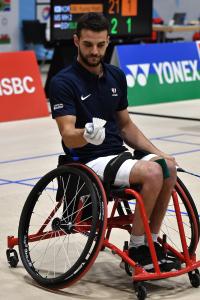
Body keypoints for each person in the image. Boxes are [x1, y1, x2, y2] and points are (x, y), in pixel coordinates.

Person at [49, 12, 179, 272]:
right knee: (153, 173)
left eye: (100, 44)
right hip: (88, 160)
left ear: (108, 41)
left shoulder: (116, 76)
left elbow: (126, 125)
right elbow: (66, 132)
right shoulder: (62, 82)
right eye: (88, 44)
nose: (94, 51)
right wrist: (85, 133)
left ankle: (151, 244)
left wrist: (160, 152)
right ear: (76, 41)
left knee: (168, 167)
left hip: (118, 155)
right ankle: (137, 248)